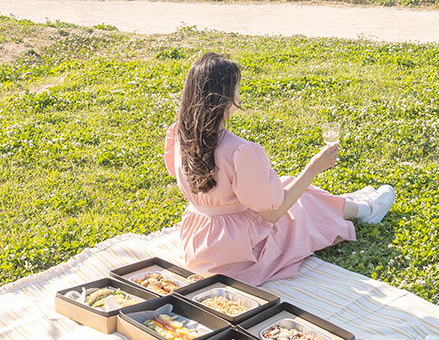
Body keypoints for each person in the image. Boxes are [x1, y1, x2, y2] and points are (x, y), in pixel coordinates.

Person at [164, 52, 395, 286]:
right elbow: (273, 213)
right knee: (302, 204)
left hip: (200, 242)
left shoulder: (180, 134)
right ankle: (364, 209)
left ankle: (353, 204)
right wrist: (314, 167)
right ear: (225, 97)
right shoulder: (239, 151)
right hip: (239, 254)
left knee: (287, 184)